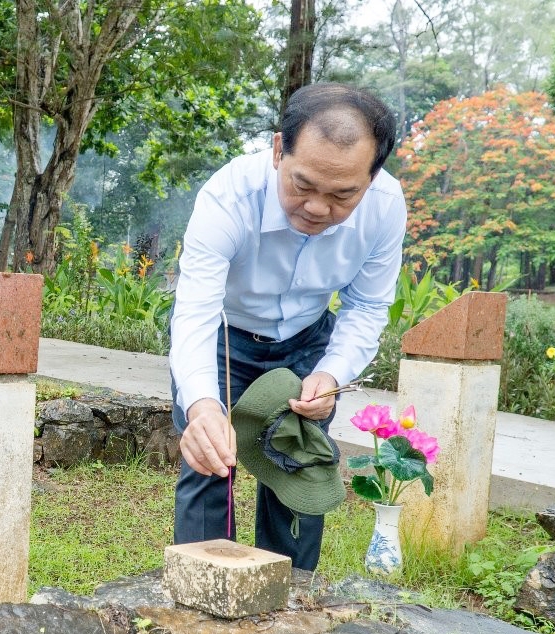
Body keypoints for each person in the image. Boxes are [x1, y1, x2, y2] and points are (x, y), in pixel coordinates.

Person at [169, 82, 407, 571]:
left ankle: (292, 603)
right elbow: (194, 310)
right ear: (279, 149)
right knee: (211, 461)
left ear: (373, 176)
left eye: (344, 194)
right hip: (224, 337)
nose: (319, 208)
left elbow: (367, 305)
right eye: (302, 185)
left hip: (307, 339)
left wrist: (333, 374)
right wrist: (201, 405)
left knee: (299, 464)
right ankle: (200, 598)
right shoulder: (228, 195)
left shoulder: (385, 206)